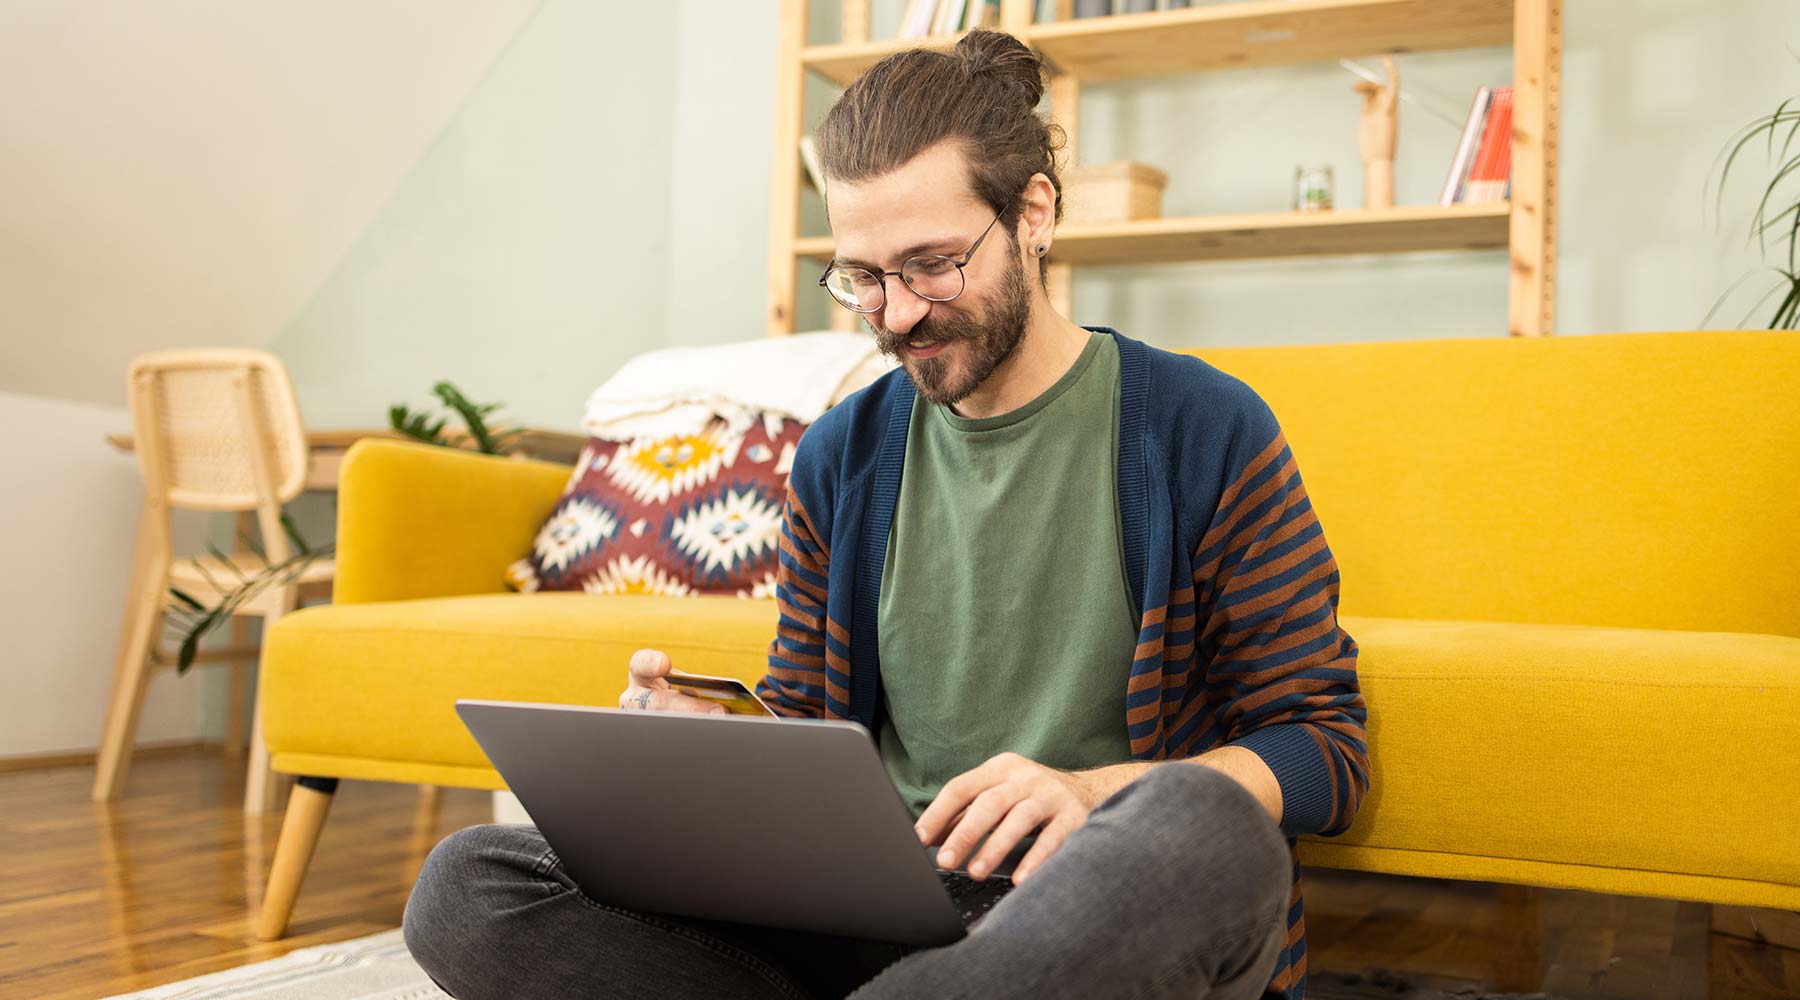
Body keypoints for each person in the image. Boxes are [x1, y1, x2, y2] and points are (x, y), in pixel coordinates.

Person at [403, 28, 1368, 1000]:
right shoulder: (840, 454)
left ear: (1034, 212)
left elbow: (1322, 745)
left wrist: (1087, 794)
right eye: (862, 276)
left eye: (933, 264)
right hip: (879, 919)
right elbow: (806, 729)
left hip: (1088, 909)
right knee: (473, 884)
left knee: (1204, 826)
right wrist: (709, 745)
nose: (896, 313)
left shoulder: (1201, 426)